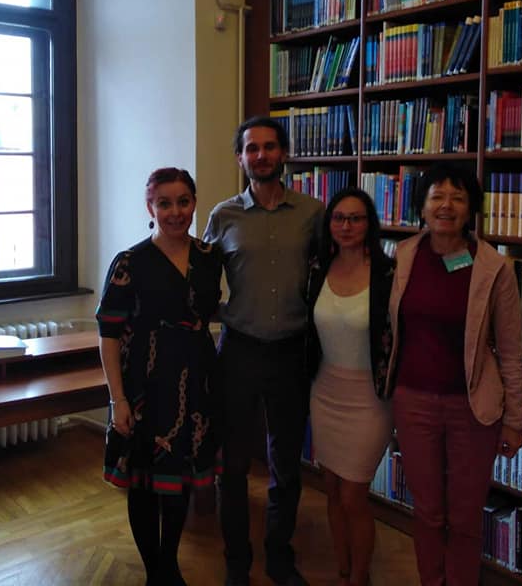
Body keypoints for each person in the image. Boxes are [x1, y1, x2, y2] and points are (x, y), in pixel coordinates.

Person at [383, 163, 522, 586]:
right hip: (413, 403)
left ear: (470, 209)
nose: (446, 206)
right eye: (437, 196)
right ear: (422, 206)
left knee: (464, 516)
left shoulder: (494, 267)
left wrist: (515, 420)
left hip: (472, 408)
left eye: (457, 198)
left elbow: (511, 351)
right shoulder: (403, 256)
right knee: (427, 512)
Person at [203, 116, 324, 586]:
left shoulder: (313, 213)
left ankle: (279, 556)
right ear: (240, 158)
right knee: (233, 464)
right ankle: (237, 560)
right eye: (251, 148)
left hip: (292, 352)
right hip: (238, 352)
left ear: (284, 153)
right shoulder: (223, 216)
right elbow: (200, 280)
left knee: (286, 464)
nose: (261, 155)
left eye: (270, 147)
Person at [96, 167, 223, 586]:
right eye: (164, 203)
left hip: (196, 383)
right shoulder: (129, 262)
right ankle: (156, 572)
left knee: (180, 479)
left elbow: (213, 310)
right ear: (150, 208)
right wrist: (118, 399)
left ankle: (170, 564)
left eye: (183, 201)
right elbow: (109, 334)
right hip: (144, 387)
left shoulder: (209, 256)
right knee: (145, 483)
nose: (175, 211)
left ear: (194, 203)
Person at [306, 187, 395, 586]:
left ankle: (360, 576)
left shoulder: (389, 274)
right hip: (324, 392)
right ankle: (342, 567)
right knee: (331, 489)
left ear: (369, 224)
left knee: (353, 495)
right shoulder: (317, 269)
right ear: (329, 224)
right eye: (339, 218)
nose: (346, 226)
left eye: (356, 218)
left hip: (370, 400)